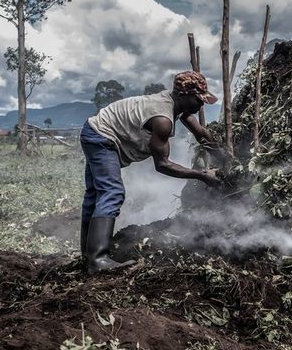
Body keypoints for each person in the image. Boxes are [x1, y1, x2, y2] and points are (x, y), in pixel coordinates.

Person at [81, 70, 222, 274]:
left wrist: (223, 156)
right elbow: (162, 164)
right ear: (183, 95)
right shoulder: (162, 118)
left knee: (94, 194)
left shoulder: (176, 103)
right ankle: (98, 260)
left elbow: (200, 132)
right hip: (102, 136)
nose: (202, 105)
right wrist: (202, 175)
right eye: (199, 100)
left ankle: (88, 255)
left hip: (95, 129)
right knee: (111, 192)